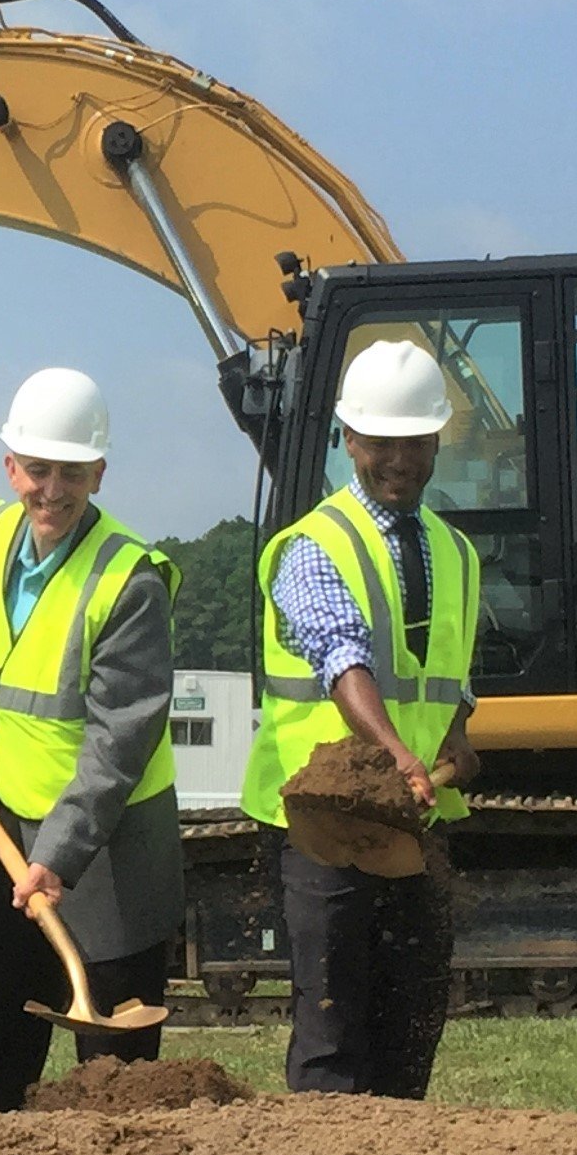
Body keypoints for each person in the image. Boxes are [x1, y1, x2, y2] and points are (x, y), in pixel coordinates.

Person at [0, 369, 181, 1113]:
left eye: (71, 472)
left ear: (99, 472)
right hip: (4, 823)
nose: (51, 490)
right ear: (10, 467)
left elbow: (119, 743)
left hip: (108, 845)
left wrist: (57, 857)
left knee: (114, 1083)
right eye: (37, 469)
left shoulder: (130, 582)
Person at [238, 339, 482, 1098]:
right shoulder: (316, 546)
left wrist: (454, 737)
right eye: (382, 443)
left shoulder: (456, 551)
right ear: (349, 440)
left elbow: (445, 669)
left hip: (415, 820)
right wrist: (393, 755)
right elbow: (340, 657)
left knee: (410, 1021)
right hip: (327, 822)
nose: (400, 459)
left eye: (416, 442)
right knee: (333, 1024)